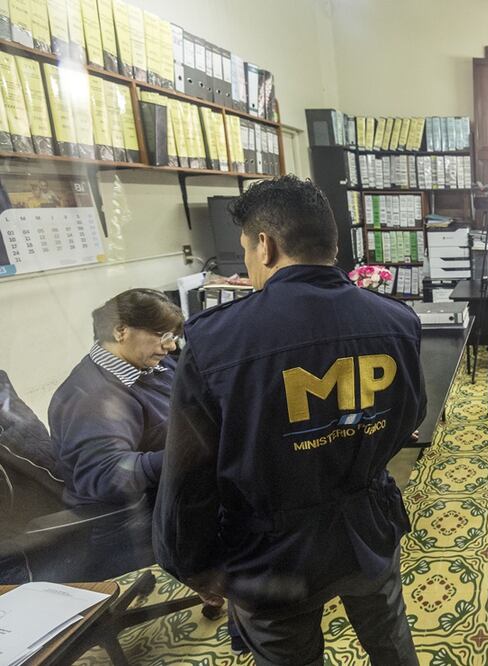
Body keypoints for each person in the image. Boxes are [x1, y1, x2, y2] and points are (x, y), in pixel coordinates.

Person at [154, 175, 426, 665]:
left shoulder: (217, 343)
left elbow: (189, 477)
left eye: (245, 249)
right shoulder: (396, 320)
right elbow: (410, 415)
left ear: (266, 244)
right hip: (368, 529)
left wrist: (191, 564)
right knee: (391, 643)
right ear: (334, 243)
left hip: (271, 554)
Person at [48, 288, 183, 578]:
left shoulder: (149, 365)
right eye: (162, 336)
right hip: (128, 528)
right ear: (121, 331)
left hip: (164, 503)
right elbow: (106, 474)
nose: (170, 347)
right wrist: (187, 453)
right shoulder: (92, 397)